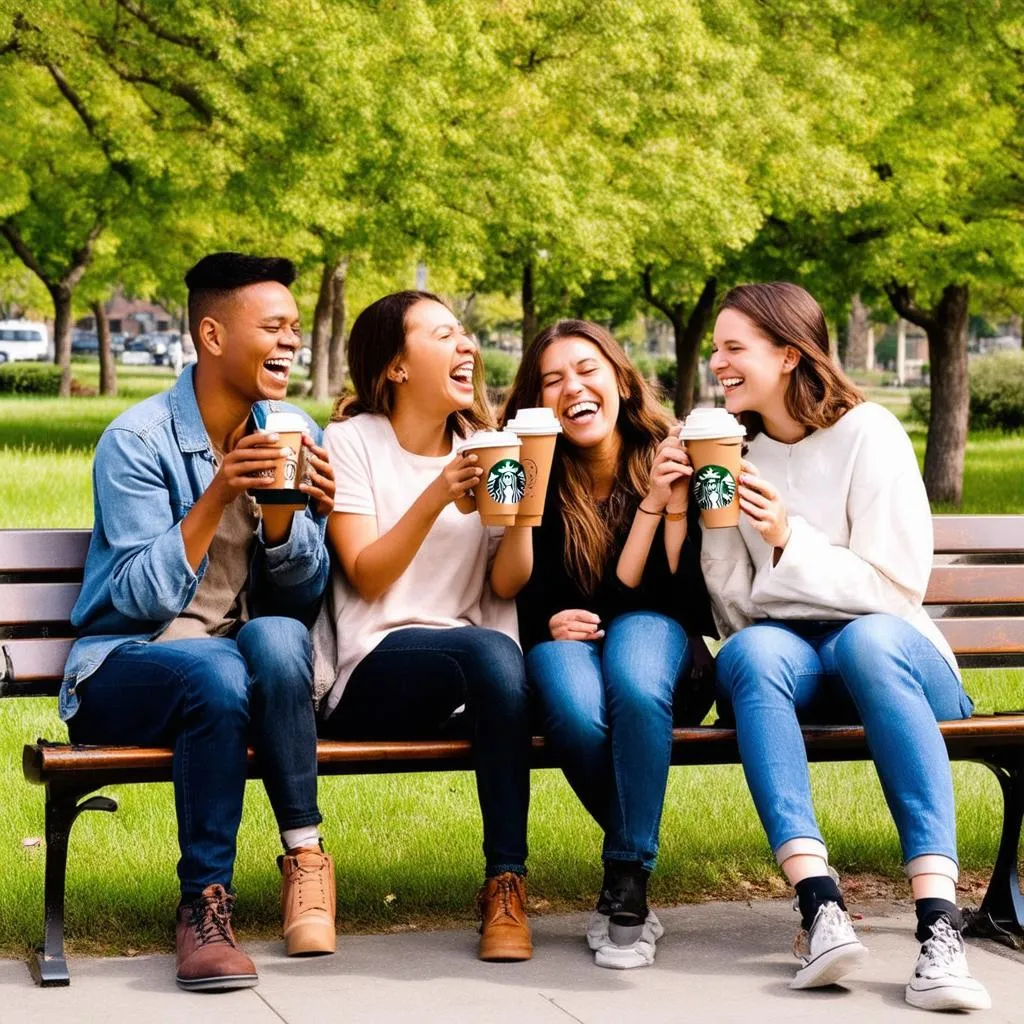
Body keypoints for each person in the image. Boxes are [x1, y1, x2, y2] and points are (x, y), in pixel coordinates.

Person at [704, 282, 991, 1011]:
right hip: (799, 663)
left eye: (734, 348)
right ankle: (819, 907)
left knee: (865, 642)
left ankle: (938, 925)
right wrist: (710, 519)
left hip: (897, 659)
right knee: (748, 656)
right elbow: (741, 615)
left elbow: (898, 592)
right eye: (716, 349)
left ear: (789, 353)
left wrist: (787, 539)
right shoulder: (742, 453)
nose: (718, 363)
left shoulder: (870, 434)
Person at [63, 253, 337, 991]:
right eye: (273, 327)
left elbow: (301, 595)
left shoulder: (290, 427)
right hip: (127, 665)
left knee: (277, 640)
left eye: (294, 327)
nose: (291, 342)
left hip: (237, 670)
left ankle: (306, 859)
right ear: (212, 335)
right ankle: (202, 907)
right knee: (216, 668)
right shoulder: (137, 441)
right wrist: (217, 495)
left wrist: (291, 517)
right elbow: (133, 598)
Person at [318, 290, 535, 961]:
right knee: (490, 653)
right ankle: (507, 881)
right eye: (444, 335)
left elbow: (505, 583)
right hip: (373, 671)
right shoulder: (352, 443)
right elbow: (367, 573)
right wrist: (438, 491)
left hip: (475, 674)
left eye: (464, 334)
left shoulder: (485, 446)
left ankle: (507, 885)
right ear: (396, 367)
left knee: (495, 654)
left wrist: (525, 510)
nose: (466, 345)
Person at [503, 319, 716, 969]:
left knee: (632, 659)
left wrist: (662, 504)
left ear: (621, 379)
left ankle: (625, 877)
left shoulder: (673, 450)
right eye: (553, 379)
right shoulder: (536, 463)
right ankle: (633, 876)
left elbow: (684, 601)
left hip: (661, 652)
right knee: (568, 702)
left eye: (587, 369)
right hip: (572, 646)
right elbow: (527, 587)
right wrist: (544, 626)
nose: (573, 387)